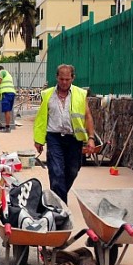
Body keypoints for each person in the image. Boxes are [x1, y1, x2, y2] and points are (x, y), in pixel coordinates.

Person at [33, 64, 95, 204]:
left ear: (73, 78)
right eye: (61, 79)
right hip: (54, 137)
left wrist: (91, 138)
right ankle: (60, 207)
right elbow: (41, 119)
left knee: (72, 170)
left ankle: (57, 197)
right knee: (56, 171)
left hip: (74, 139)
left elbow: (88, 116)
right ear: (57, 77)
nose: (64, 82)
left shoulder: (80, 94)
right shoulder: (47, 94)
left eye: (67, 79)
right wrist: (39, 140)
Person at [0, 65, 16, 132]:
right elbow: (2, 88)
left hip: (6, 93)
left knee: (6, 111)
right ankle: (8, 126)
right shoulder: (9, 75)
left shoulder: (2, 72)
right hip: (11, 93)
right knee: (8, 111)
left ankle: (7, 128)